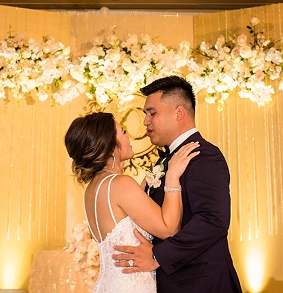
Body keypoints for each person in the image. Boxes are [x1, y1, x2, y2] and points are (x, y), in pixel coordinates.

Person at [112, 75, 243, 293]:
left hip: (201, 285)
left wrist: (157, 256)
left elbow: (213, 220)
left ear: (179, 112)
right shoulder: (165, 161)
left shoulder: (203, 155)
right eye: (145, 114)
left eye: (152, 113)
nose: (145, 121)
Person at [65, 112, 199, 293]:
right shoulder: (120, 184)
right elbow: (169, 229)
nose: (128, 136)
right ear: (111, 148)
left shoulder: (93, 189)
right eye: (123, 132)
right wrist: (172, 177)